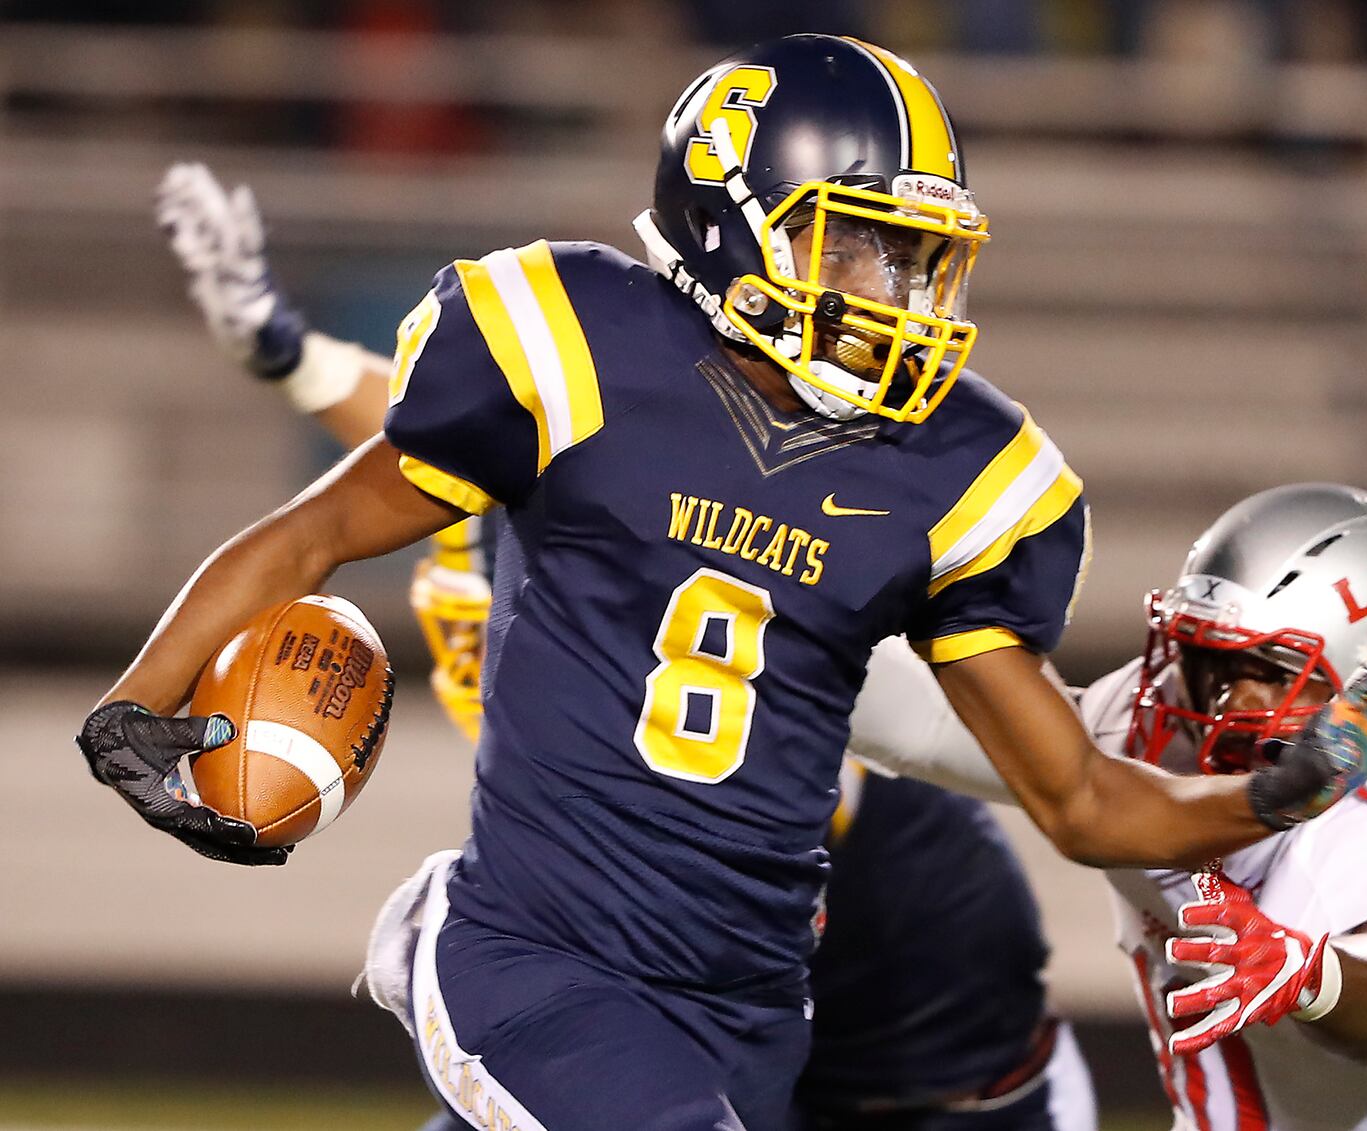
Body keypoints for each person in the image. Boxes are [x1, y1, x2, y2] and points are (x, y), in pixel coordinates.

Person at [80, 35, 1367, 1131]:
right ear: (735, 221)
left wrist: (1287, 785)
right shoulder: (576, 342)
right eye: (861, 242)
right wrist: (138, 701)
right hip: (539, 962)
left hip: (750, 1005)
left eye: (920, 254)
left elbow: (1083, 803)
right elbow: (316, 533)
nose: (900, 287)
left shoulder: (955, 473)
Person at [154, 159, 1098, 1131]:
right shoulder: (519, 477)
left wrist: (1106, 759)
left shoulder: (643, 524)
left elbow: (891, 736)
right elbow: (402, 437)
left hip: (928, 1036)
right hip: (677, 1004)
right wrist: (283, 350)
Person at [849, 484, 1367, 1129]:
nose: (1222, 702)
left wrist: (1311, 975)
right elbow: (934, 729)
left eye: (1270, 672)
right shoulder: (1163, 727)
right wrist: (778, 622)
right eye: (1209, 657)